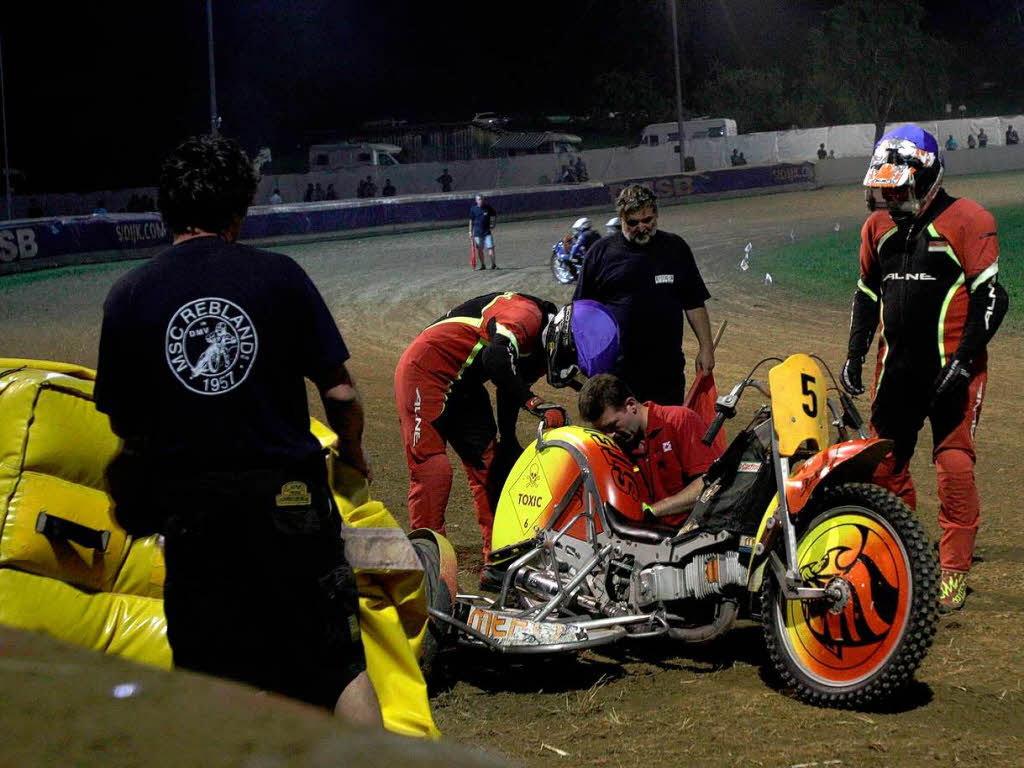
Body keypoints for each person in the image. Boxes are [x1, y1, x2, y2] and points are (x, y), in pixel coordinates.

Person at [94, 134, 381, 725]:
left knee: (209, 680)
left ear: (165, 209)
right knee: (336, 667)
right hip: (289, 502)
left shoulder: (128, 295)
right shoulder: (280, 276)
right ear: (240, 208)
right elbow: (342, 394)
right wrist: (350, 454)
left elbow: (125, 421)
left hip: (196, 515)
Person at [840, 124, 1008, 612]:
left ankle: (953, 569)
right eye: (884, 188)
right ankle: (907, 551)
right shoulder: (876, 229)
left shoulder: (968, 219)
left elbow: (993, 297)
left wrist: (963, 360)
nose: (890, 198)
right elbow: (867, 293)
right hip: (895, 372)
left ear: (928, 175)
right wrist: (854, 352)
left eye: (899, 188)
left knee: (953, 463)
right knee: (885, 464)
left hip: (953, 369)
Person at [394, 294, 619, 580]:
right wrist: (534, 403)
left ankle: (498, 563)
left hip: (464, 382)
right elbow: (496, 359)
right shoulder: (525, 315)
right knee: (433, 473)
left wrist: (509, 440)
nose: (568, 371)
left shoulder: (540, 345)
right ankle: (428, 574)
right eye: (571, 360)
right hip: (424, 372)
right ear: (564, 338)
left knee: (491, 467)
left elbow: (509, 384)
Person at [574, 183, 715, 406]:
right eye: (633, 223)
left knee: (665, 435)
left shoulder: (675, 249)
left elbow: (694, 302)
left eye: (648, 220)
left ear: (656, 215)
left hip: (666, 371)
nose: (642, 227)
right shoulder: (599, 254)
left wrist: (706, 348)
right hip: (616, 374)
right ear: (621, 218)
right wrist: (588, 363)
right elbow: (583, 314)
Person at [578, 373, 721, 526]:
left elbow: (711, 485)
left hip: (691, 536)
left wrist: (652, 511)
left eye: (613, 425)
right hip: (641, 539)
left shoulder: (680, 421)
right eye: (603, 431)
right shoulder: (614, 445)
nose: (610, 436)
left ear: (631, 405)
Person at [468, 193, 498, 270]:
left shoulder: (488, 208)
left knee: (491, 248)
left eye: (482, 199)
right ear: (476, 201)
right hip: (477, 233)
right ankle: (483, 265)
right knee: (480, 249)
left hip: (487, 232)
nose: (481, 201)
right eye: (479, 199)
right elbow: (471, 221)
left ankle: (493, 264)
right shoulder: (473, 209)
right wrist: (470, 232)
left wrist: (493, 224)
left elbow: (494, 215)